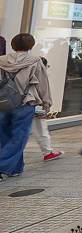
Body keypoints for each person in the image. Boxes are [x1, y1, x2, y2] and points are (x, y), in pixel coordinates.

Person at [0, 34, 53, 180]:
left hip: (3, 102)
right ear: (30, 46)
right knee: (19, 137)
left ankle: (15, 168)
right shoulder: (35, 61)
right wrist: (46, 103)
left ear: (12, 45)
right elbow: (43, 83)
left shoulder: (2, 60)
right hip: (25, 102)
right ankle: (2, 166)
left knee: (5, 135)